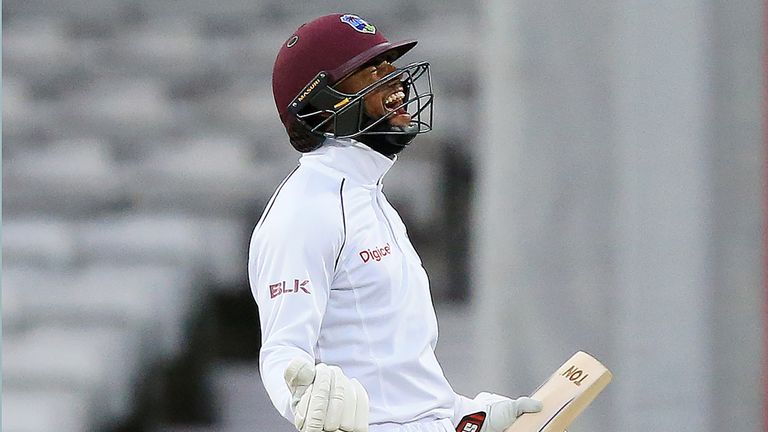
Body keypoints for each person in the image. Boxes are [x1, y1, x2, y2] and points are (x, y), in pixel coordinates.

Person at [248, 13, 542, 432]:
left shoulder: (371, 200)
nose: (398, 84)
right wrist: (302, 397)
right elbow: (281, 352)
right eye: (372, 72)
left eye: (391, 68)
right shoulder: (304, 211)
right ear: (323, 104)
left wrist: (469, 416)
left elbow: (400, 379)